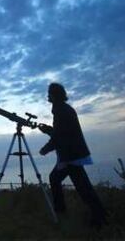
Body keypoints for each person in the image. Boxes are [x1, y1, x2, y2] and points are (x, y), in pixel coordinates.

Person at [38, 83, 107, 228]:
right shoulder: (64, 109)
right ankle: (97, 215)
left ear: (53, 95)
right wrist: (48, 130)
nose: (48, 96)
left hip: (70, 156)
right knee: (77, 185)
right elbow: (61, 132)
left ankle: (98, 217)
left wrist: (45, 149)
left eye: (49, 93)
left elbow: (59, 136)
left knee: (81, 187)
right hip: (72, 154)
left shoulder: (60, 110)